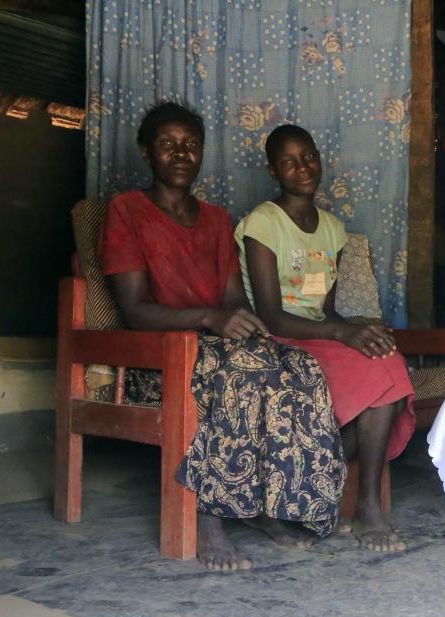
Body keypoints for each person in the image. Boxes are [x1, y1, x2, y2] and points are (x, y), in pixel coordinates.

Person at [98, 103, 347, 571]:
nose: (180, 154)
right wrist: (212, 320)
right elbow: (134, 311)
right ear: (146, 152)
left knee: (301, 367)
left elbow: (235, 298)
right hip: (159, 356)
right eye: (168, 144)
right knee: (238, 373)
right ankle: (211, 514)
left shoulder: (216, 219)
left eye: (191, 145)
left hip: (214, 343)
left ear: (202, 154)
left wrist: (246, 324)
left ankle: (274, 507)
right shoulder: (126, 211)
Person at [235, 124, 414, 552]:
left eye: (309, 156)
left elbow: (324, 310)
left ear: (320, 158)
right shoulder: (263, 222)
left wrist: (359, 334)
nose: (302, 167)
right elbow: (272, 315)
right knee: (377, 364)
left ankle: (365, 504)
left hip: (314, 333)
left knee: (386, 359)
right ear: (273, 171)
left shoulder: (333, 229)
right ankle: (328, 489)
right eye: (289, 161)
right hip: (277, 340)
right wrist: (341, 332)